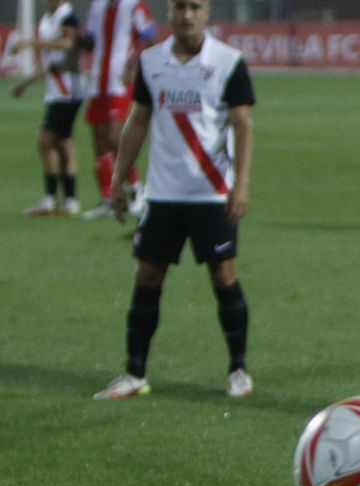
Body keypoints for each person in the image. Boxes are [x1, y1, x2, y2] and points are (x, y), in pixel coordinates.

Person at [91, 0, 254, 402]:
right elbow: (138, 120)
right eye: (179, 6)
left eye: (194, 6)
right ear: (170, 12)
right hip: (163, 194)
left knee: (224, 276)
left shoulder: (230, 62)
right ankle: (134, 374)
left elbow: (243, 125)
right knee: (146, 277)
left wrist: (242, 185)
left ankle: (238, 370)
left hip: (211, 192)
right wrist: (116, 181)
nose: (186, 14)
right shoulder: (151, 62)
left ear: (207, 13)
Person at [77, 0, 155, 218]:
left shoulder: (134, 4)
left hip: (119, 79)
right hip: (97, 79)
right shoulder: (97, 5)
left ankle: (137, 189)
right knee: (99, 140)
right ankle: (107, 199)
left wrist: (135, 67)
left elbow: (148, 37)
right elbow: (91, 40)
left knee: (113, 136)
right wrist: (77, 37)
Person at [9, 0, 86, 217]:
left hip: (68, 91)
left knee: (45, 141)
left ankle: (54, 199)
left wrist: (29, 43)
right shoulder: (48, 19)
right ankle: (66, 201)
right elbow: (51, 63)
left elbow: (68, 44)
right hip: (57, 92)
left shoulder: (67, 16)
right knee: (61, 143)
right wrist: (25, 84)